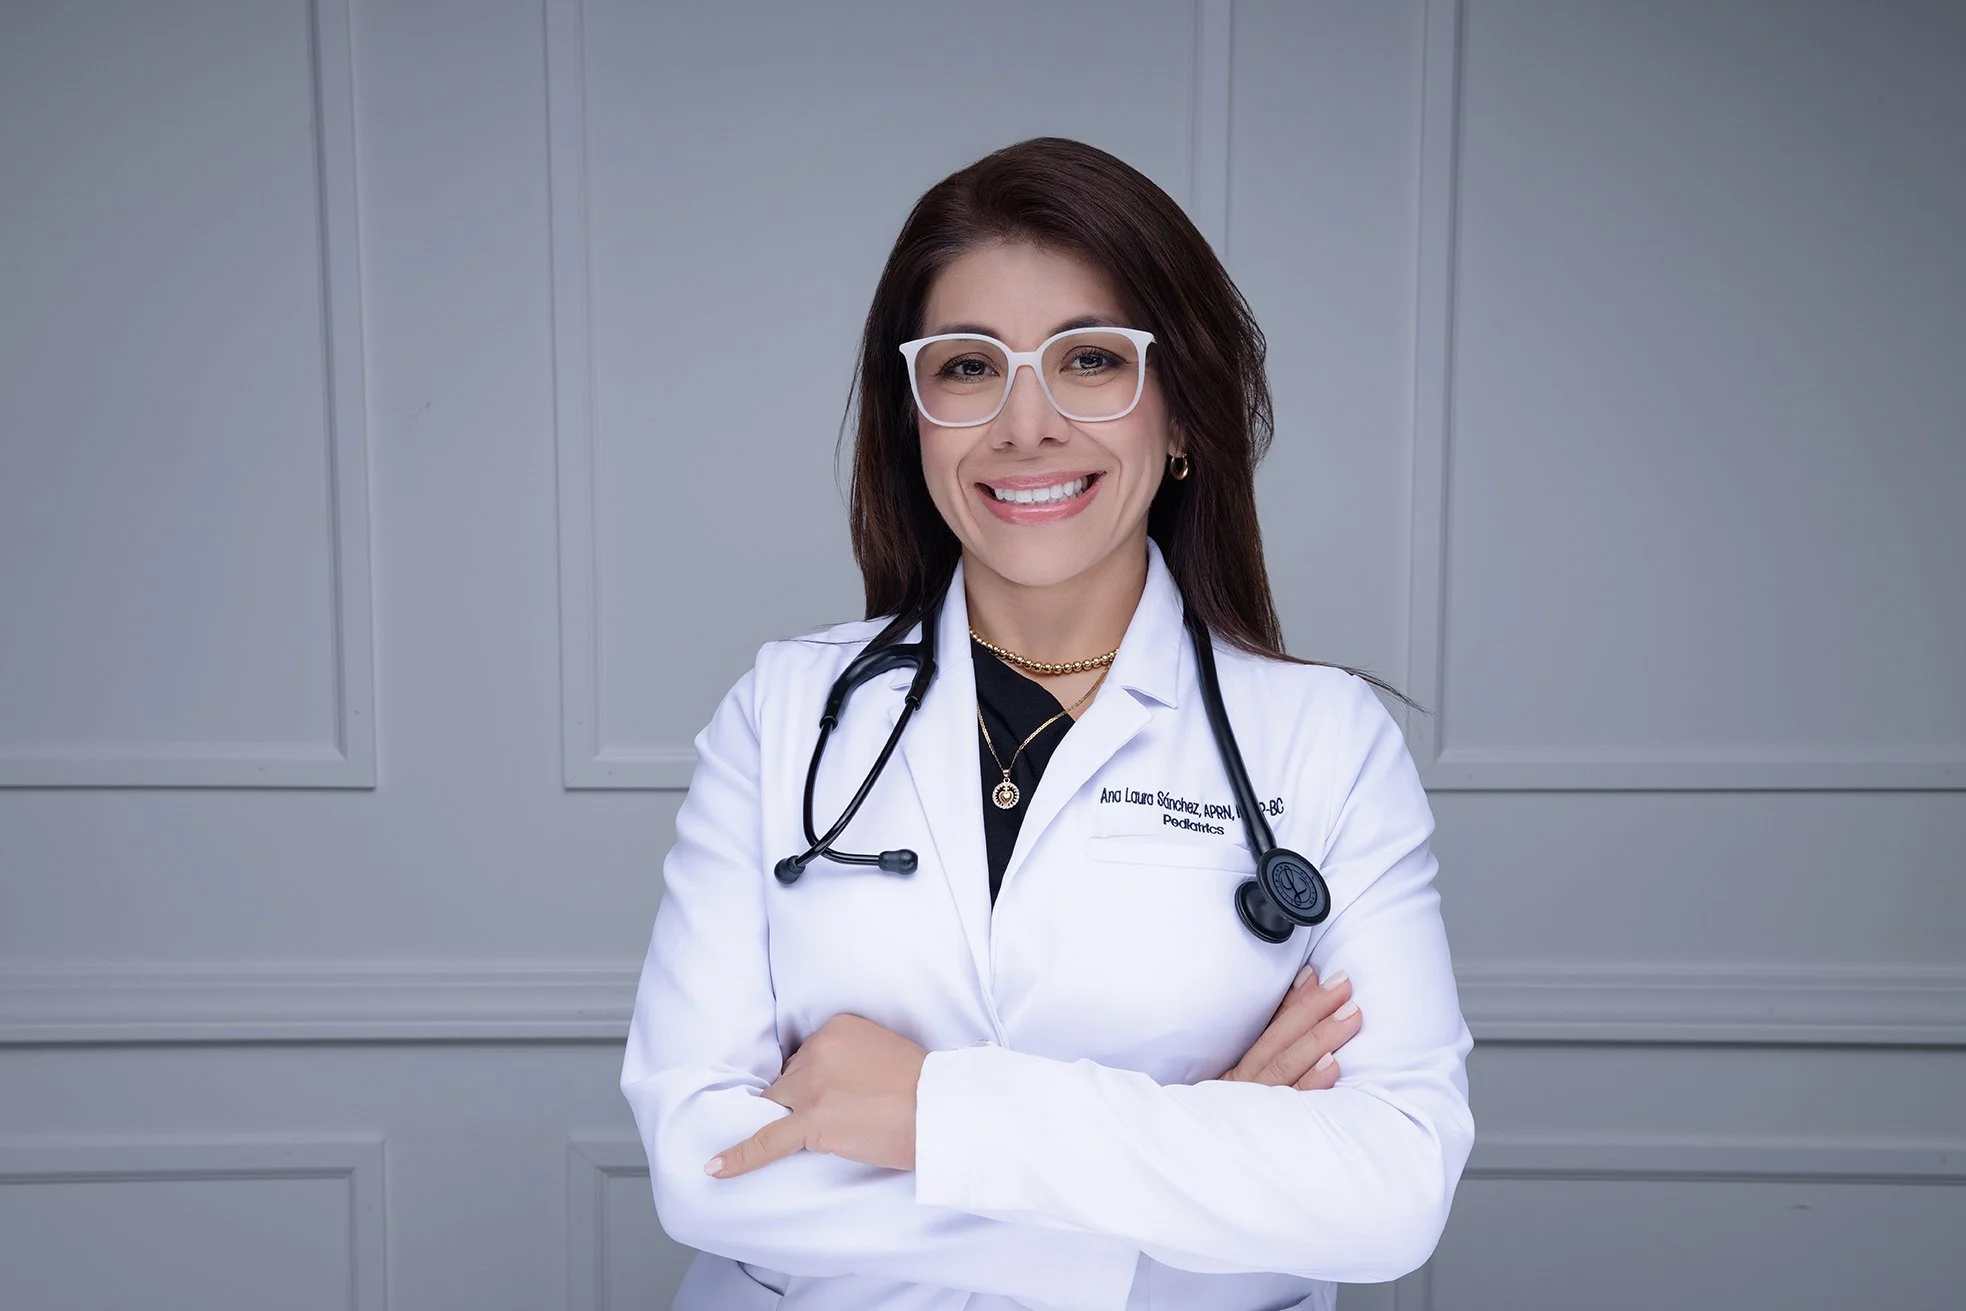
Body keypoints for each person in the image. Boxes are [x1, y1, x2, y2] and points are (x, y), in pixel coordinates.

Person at [620, 136, 1474, 1311]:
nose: (1026, 425)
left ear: (1180, 417)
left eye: (1088, 361)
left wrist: (933, 1114)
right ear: (912, 416)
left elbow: (1390, 1188)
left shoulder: (1322, 741)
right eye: (969, 368)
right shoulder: (784, 715)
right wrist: (1189, 1188)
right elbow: (703, 1163)